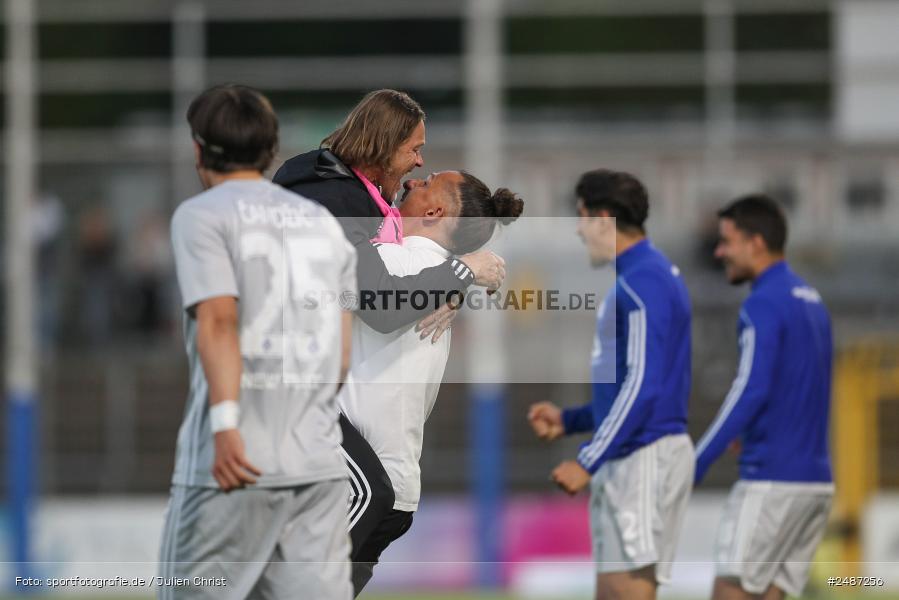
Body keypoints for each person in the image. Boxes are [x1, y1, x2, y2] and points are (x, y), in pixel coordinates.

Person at [158, 84, 354, 600]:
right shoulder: (322, 224)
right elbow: (340, 352)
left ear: (199, 149)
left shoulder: (202, 215)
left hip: (234, 463)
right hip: (317, 465)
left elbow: (218, 321)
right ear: (271, 149)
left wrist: (226, 425)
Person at [338, 171, 523, 595]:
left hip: (358, 483)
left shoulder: (392, 263)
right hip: (396, 488)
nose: (413, 181)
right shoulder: (437, 276)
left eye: (427, 183)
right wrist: (463, 275)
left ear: (435, 211)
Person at [527, 169, 693, 600]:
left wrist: (588, 460)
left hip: (641, 458)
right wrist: (569, 420)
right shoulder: (643, 276)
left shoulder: (644, 280)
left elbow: (643, 384)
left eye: (581, 217)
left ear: (602, 218)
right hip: (634, 454)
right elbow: (630, 388)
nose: (579, 230)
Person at [694, 195, 833, 600]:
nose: (719, 252)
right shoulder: (812, 300)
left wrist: (696, 461)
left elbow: (750, 388)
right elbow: (798, 385)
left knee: (730, 591)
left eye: (727, 242)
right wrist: (754, 429)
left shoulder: (762, 304)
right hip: (816, 484)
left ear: (755, 243)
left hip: (772, 482)